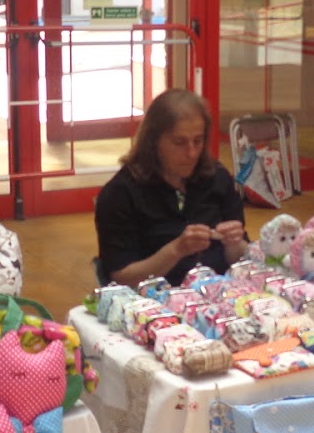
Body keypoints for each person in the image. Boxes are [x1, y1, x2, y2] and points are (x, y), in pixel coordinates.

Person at [94, 89, 249, 286]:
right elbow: (122, 278)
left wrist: (234, 243)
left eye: (198, 141)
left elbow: (239, 260)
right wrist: (176, 250)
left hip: (221, 291)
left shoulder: (216, 177)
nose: (192, 153)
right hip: (154, 298)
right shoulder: (120, 194)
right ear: (154, 142)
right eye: (179, 142)